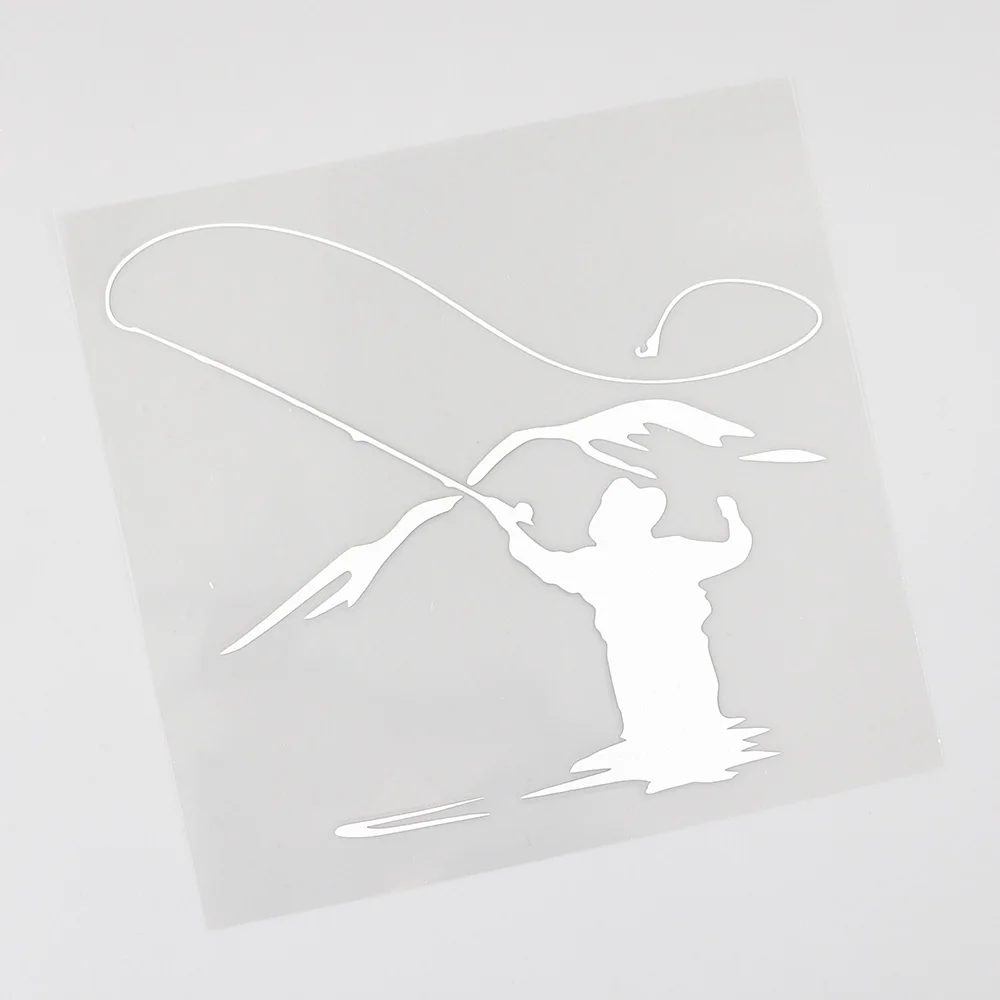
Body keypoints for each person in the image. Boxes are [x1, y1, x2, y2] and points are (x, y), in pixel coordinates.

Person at [481, 477, 776, 795]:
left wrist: (512, 528)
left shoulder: (602, 561)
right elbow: (734, 550)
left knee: (673, 699)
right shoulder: (664, 552)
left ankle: (686, 755)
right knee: (663, 701)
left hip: (660, 649)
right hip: (654, 650)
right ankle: (676, 754)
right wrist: (732, 517)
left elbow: (543, 562)